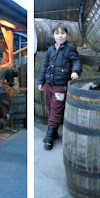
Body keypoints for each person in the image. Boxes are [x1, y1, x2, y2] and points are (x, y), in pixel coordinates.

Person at [37, 22, 81, 150]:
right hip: (49, 85)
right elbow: (45, 66)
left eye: (63, 33)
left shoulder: (69, 48)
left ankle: (49, 137)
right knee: (50, 108)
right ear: (53, 35)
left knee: (56, 110)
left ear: (67, 35)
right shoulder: (50, 49)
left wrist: (75, 71)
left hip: (60, 86)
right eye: (57, 33)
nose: (60, 36)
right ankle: (54, 132)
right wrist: (41, 82)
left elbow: (76, 60)